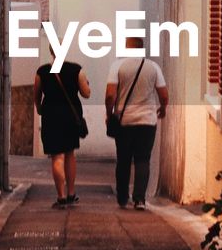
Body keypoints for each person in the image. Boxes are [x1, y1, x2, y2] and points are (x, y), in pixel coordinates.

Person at [105, 36, 168, 209]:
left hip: (125, 121)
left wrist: (109, 114)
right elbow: (163, 94)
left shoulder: (117, 66)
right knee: (143, 159)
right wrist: (163, 109)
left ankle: (123, 198)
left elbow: (110, 95)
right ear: (142, 48)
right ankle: (139, 199)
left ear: (126, 48)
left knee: (123, 159)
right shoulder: (153, 67)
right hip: (147, 121)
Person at [34, 49, 91, 208]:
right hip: (70, 118)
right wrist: (87, 86)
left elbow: (36, 96)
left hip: (51, 117)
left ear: (51, 51)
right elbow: (86, 93)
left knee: (57, 156)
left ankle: (61, 196)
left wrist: (40, 109)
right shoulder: (76, 70)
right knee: (70, 153)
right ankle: (71, 193)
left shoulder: (42, 72)